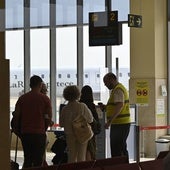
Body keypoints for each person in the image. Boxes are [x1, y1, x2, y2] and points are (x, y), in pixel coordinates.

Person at [13, 75, 53, 168]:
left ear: (30, 85)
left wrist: (16, 129)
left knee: (27, 159)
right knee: (38, 161)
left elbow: (16, 115)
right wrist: (45, 127)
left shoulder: (22, 98)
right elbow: (48, 117)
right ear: (40, 85)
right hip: (39, 134)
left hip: (26, 133)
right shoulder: (45, 99)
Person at [59, 85, 93, 163]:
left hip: (69, 134)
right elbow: (90, 119)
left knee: (71, 156)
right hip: (82, 133)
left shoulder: (65, 109)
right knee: (81, 156)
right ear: (78, 94)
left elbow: (61, 124)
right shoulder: (82, 106)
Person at [100, 72, 130, 158]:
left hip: (120, 124)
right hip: (120, 124)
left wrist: (109, 121)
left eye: (106, 82)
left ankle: (120, 166)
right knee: (121, 147)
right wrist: (106, 107)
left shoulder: (118, 90)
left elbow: (120, 105)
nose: (105, 85)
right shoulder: (118, 89)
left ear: (112, 80)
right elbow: (116, 105)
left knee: (117, 149)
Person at [79, 85, 100, 161]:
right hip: (90, 131)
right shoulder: (91, 105)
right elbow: (93, 119)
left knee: (81, 151)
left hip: (80, 131)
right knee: (90, 149)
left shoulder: (79, 105)